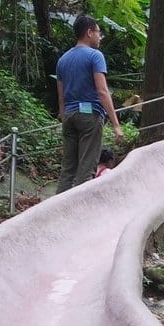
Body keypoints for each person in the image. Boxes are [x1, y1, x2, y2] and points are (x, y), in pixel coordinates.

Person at [55, 15, 124, 193]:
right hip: (89, 116)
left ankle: (58, 208)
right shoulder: (95, 56)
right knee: (86, 170)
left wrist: (64, 118)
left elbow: (61, 97)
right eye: (98, 32)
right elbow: (102, 91)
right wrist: (116, 125)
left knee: (67, 170)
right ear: (89, 32)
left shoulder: (63, 60)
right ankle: (80, 209)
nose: (100, 37)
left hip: (69, 116)